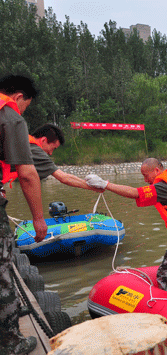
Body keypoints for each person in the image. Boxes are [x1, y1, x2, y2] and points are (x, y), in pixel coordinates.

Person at [85, 158, 167, 296]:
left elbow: (135, 193)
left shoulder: (164, 186)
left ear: (156, 170)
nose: (145, 180)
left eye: (146, 175)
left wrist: (105, 184)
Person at [0, 74, 47, 355]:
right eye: (25, 106)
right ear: (19, 97)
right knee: (3, 274)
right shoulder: (8, 114)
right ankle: (11, 342)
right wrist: (39, 219)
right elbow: (28, 175)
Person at [2, 123, 99, 191]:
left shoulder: (22, 141)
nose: (51, 153)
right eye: (53, 148)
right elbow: (64, 178)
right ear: (44, 140)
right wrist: (93, 187)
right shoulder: (35, 150)